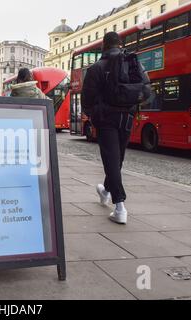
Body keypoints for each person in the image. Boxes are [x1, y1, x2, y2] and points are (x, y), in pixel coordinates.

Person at [81, 32, 150, 225]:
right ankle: (105, 191)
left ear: (104, 45)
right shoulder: (134, 63)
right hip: (127, 117)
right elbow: (146, 90)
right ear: (120, 44)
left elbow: (86, 99)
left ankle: (120, 207)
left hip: (107, 119)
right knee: (116, 159)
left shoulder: (96, 68)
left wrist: (94, 114)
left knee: (111, 160)